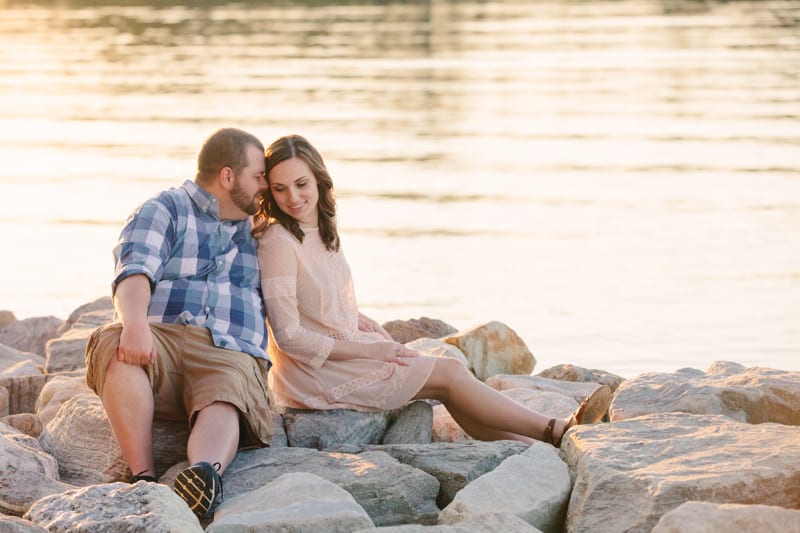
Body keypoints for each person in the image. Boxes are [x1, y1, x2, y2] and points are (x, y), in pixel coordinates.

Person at [252, 134, 608, 448]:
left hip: (344, 352)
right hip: (315, 374)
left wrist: (358, 319)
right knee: (450, 374)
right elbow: (289, 337)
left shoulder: (319, 226)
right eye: (280, 189)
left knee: (448, 381)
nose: (293, 197)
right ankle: (558, 429)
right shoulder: (278, 242)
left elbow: (315, 298)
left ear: (318, 179)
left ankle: (535, 447)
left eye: (301, 184)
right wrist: (377, 353)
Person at [85, 127, 273, 519]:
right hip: (163, 340)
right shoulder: (165, 209)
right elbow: (135, 269)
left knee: (226, 390)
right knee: (114, 344)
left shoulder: (264, 229)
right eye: (258, 176)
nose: (265, 187)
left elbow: (303, 284)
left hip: (229, 348)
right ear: (227, 176)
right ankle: (144, 479)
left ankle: (203, 477)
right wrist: (135, 324)